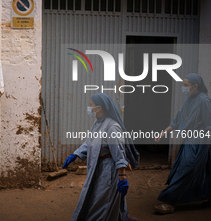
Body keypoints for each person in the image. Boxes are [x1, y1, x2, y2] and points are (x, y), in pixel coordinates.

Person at [63, 93, 139, 221]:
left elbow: (119, 154)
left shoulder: (112, 127)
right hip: (98, 168)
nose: (89, 107)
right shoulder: (98, 123)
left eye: (91, 105)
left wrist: (122, 177)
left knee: (102, 202)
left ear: (99, 108)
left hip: (108, 171)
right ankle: (123, 218)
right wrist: (75, 154)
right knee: (102, 197)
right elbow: (89, 142)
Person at [154, 73, 211, 214]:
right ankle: (205, 197)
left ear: (195, 86)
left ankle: (169, 201)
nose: (183, 87)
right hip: (188, 141)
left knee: (186, 169)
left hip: (199, 143)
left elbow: (209, 125)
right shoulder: (188, 100)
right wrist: (163, 133)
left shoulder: (204, 101)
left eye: (185, 85)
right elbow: (177, 121)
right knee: (204, 172)